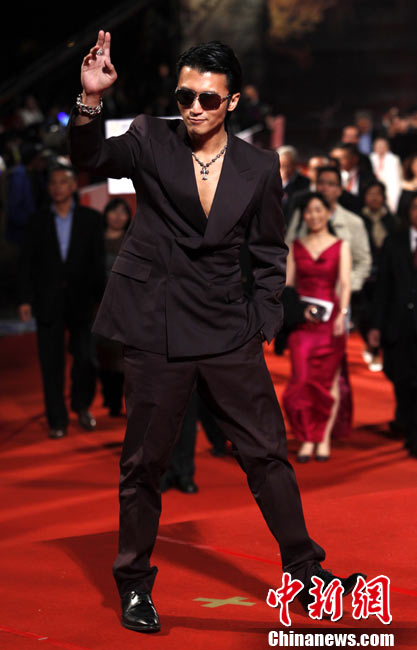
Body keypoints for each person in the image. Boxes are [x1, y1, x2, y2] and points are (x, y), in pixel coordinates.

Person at [68, 31, 364, 634]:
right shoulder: (150, 137)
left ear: (232, 102)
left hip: (229, 327)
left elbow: (268, 249)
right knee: (144, 464)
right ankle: (133, 585)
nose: (195, 108)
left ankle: (307, 573)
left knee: (266, 455)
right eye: (186, 96)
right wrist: (90, 100)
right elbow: (90, 160)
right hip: (156, 326)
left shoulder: (260, 167)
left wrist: (264, 319)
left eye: (208, 98)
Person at [18, 165, 105, 438]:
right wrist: (25, 299)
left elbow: (97, 263)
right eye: (53, 183)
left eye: (63, 182)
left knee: (85, 359)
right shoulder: (36, 221)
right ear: (48, 188)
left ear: (73, 186)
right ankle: (57, 420)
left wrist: (102, 299)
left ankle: (82, 406)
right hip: (48, 299)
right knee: (50, 362)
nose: (58, 187)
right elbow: (26, 263)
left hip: (82, 300)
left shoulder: (91, 219)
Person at [283, 193, 352, 462]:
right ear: (303, 215)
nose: (314, 216)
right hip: (303, 325)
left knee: (326, 382)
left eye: (318, 210)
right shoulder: (295, 246)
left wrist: (342, 315)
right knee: (300, 380)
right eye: (309, 211)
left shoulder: (340, 246)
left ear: (327, 212)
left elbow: (344, 283)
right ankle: (305, 436)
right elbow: (288, 287)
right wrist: (299, 311)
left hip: (330, 324)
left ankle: (321, 438)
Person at [368, 192, 417, 459]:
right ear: (408, 211)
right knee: (402, 380)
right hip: (398, 325)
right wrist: (376, 326)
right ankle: (407, 425)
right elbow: (383, 288)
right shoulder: (393, 242)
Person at [286, 166, 371, 295]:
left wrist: (346, 286)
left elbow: (363, 262)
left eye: (331, 184)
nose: (324, 188)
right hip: (303, 292)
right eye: (320, 183)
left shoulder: (353, 222)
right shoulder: (301, 216)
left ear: (339, 190)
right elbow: (288, 249)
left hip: (339, 295)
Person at [96, 198, 131, 417]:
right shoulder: (94, 240)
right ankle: (109, 397)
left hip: (125, 306)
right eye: (114, 211)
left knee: (122, 356)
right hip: (97, 305)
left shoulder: (132, 240)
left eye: (123, 212)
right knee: (101, 353)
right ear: (106, 213)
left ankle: (120, 400)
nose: (118, 216)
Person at [359, 181, 397, 371]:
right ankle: (370, 344)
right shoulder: (358, 219)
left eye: (378, 194)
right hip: (365, 275)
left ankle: (376, 349)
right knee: (364, 313)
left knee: (382, 311)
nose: (374, 198)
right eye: (370, 193)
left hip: (386, 274)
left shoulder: (393, 221)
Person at [276, 145, 309, 223]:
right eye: (281, 165)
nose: (284, 170)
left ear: (295, 165)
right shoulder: (271, 180)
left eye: (287, 165)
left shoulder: (304, 183)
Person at [370, 137, 402, 214]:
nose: (380, 148)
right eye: (378, 146)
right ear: (374, 147)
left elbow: (395, 179)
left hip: (390, 187)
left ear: (387, 147)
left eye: (382, 146)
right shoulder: (370, 158)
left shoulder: (394, 159)